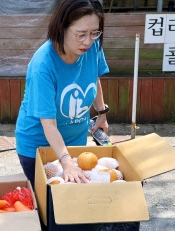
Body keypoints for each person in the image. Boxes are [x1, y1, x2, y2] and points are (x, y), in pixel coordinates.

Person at [15, 0, 109, 187]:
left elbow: (93, 78)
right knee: (50, 208)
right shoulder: (43, 65)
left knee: (74, 203)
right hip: (39, 147)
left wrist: (102, 113)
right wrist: (66, 162)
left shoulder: (92, 48)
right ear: (61, 28)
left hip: (75, 141)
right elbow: (48, 124)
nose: (88, 41)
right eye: (80, 34)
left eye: (94, 33)